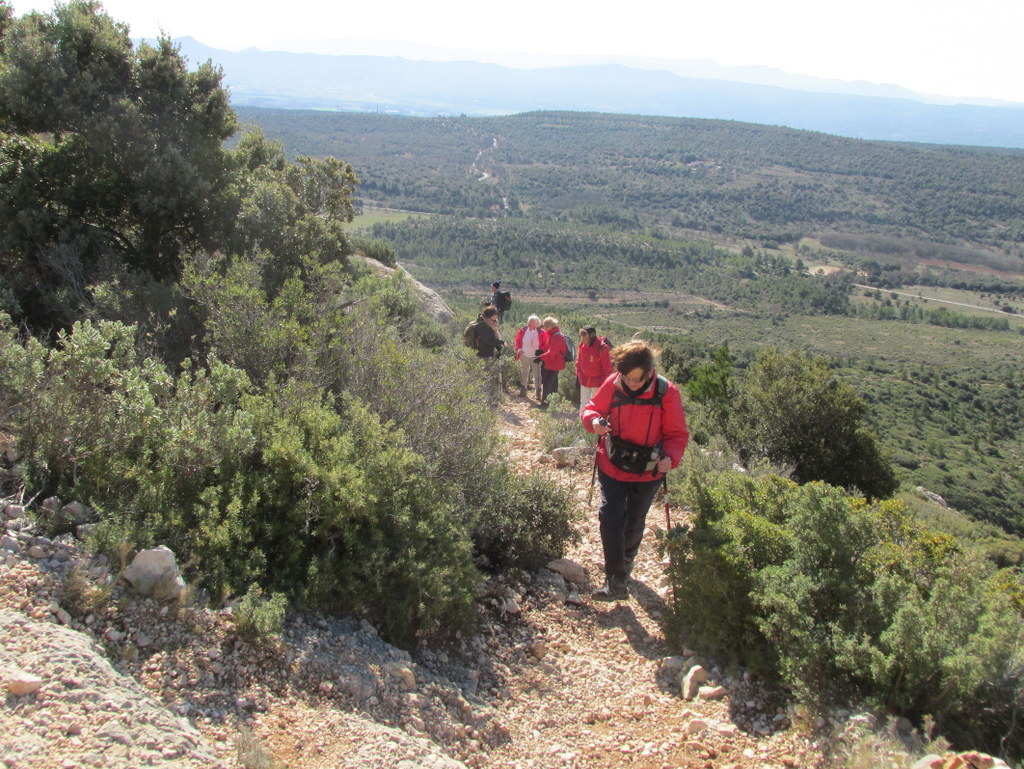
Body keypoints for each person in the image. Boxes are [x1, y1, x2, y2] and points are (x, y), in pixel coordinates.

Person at [581, 341, 689, 601]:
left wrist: (671, 458)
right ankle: (616, 580)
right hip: (613, 463)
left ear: (650, 372)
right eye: (626, 378)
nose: (630, 383)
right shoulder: (615, 382)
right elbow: (592, 408)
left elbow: (677, 435)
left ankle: (625, 565)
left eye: (636, 379)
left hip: (648, 471)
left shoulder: (667, 392)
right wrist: (594, 421)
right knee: (610, 517)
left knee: (633, 523)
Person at [469, 306, 506, 406]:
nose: (496, 317)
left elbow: (493, 338)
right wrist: (501, 342)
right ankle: (481, 400)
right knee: (483, 377)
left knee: (485, 377)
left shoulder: (488, 324)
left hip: (486, 354)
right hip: (481, 355)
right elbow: (489, 341)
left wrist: (495, 330)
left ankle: (486, 399)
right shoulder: (482, 326)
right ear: (491, 315)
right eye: (495, 315)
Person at [576, 326, 613, 416]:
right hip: (585, 380)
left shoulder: (602, 347)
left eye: (585, 336)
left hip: (598, 382)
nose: (583, 339)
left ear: (591, 336)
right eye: (582, 336)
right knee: (584, 401)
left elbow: (607, 369)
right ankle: (582, 423)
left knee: (595, 404)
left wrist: (604, 385)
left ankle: (593, 424)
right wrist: (578, 376)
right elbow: (579, 362)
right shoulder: (582, 345)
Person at [537, 316, 569, 408]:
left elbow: (552, 353)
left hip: (553, 363)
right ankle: (553, 403)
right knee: (553, 383)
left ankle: (546, 403)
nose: (544, 328)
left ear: (550, 326)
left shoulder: (556, 337)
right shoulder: (555, 334)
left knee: (547, 383)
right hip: (555, 363)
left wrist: (541, 357)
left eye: (546, 326)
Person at [514, 314, 548, 399]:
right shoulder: (522, 330)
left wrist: (541, 352)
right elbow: (517, 341)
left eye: (532, 322)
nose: (529, 323)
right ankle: (523, 389)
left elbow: (546, 344)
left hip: (536, 357)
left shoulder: (542, 332)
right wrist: (519, 349)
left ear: (537, 324)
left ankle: (538, 392)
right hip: (524, 355)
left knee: (537, 375)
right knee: (524, 372)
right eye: (529, 321)